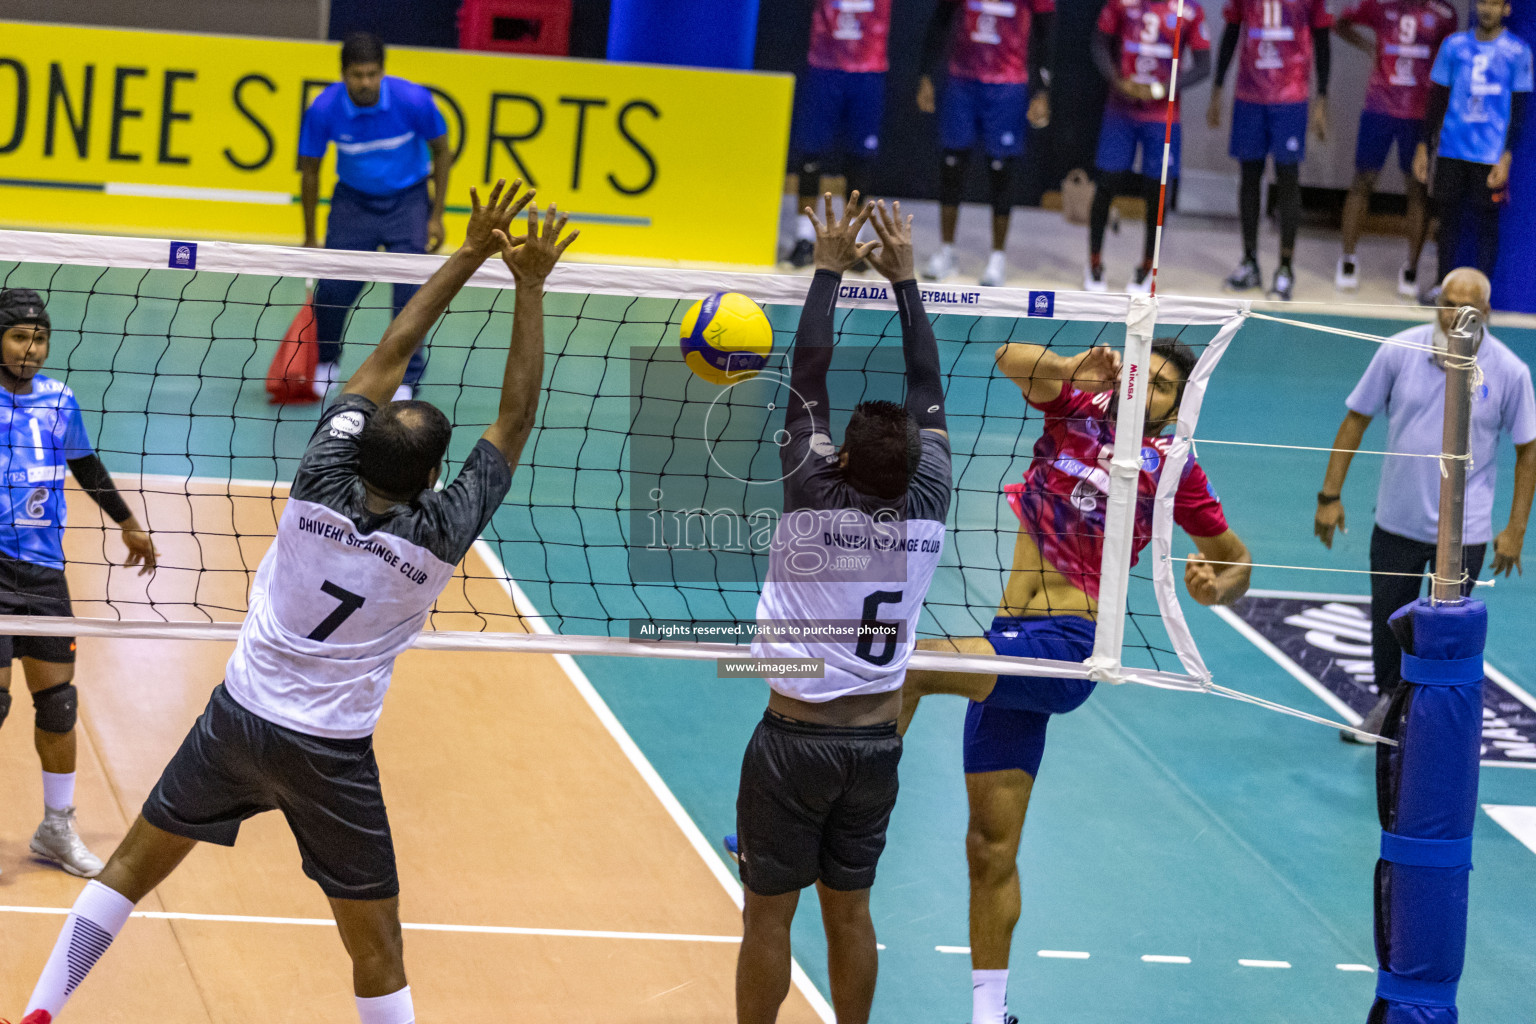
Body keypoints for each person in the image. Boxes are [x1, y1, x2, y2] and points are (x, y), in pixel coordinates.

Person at [14, 180, 576, 1024]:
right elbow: (516, 418)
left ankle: (37, 1013)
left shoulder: (316, 480)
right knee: (376, 948)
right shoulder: (441, 531)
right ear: (431, 480)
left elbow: (385, 356)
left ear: (360, 450)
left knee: (129, 871)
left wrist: (468, 254)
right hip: (330, 756)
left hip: (237, 722)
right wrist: (531, 289)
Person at [899, 336, 1252, 1024]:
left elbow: (1235, 562)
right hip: (1009, 640)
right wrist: (1068, 371)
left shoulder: (1173, 465)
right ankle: (990, 1013)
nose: (1145, 390)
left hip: (1064, 649)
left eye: (1162, 387)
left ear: (1176, 406)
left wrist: (1217, 587)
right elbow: (1004, 356)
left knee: (909, 667)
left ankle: (832, 821)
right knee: (989, 849)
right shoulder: (1075, 409)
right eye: (1141, 376)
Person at [732, 194, 951, 1024]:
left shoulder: (809, 490)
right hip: (875, 746)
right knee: (851, 912)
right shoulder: (929, 497)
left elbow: (808, 373)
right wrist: (907, 280)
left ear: (844, 457)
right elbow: (927, 382)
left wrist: (826, 266)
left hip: (793, 743)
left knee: (768, 914)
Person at [1315, 267, 1535, 742]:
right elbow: (1356, 418)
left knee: (1445, 628)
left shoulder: (1511, 372)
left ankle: (1431, 724)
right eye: (1446, 302)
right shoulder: (1398, 351)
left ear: (1487, 312)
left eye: (1465, 306)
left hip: (1466, 531)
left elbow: (1528, 451)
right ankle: (1387, 707)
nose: (1454, 314)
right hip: (1397, 519)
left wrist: (1515, 529)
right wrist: (1329, 496)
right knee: (1388, 619)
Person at [0, 289, 157, 881]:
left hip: (42, 572)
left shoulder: (59, 399)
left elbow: (84, 465)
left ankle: (56, 826)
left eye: (39, 338)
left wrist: (128, 523)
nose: (30, 349)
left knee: (58, 705)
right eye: (19, 336)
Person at [299, 31, 452, 402]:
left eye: (372, 73)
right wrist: (309, 237)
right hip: (353, 203)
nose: (365, 82)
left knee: (411, 297)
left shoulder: (413, 100)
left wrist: (436, 215)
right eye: (357, 74)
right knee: (333, 290)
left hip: (408, 201)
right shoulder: (323, 109)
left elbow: (442, 152)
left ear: (382, 71)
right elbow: (310, 173)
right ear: (343, 74)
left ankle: (405, 377)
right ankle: (328, 360)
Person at [917, 0, 1054, 287]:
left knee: (1001, 172)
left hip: (1007, 84)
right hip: (962, 82)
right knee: (951, 166)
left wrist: (1042, 91)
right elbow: (940, 20)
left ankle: (998, 257)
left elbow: (1046, 35)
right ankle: (946, 251)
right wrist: (927, 75)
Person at [1208, 0, 1333, 301]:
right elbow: (1232, 31)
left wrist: (1322, 98)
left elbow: (1322, 40)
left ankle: (1285, 268)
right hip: (1249, 94)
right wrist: (1217, 88)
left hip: (1291, 96)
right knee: (1249, 177)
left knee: (1288, 177)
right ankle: (1249, 261)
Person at [1085, 0, 1213, 293]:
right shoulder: (1123, 3)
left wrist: (1165, 88)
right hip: (1121, 110)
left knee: (1157, 191)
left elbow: (1203, 66)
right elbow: (1098, 44)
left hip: (1162, 115)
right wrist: (1118, 81)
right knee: (1107, 182)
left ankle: (1146, 267)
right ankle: (1094, 263)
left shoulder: (1189, 10)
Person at [1332, 0, 1455, 295]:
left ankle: (1410, 267)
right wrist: (1368, 46)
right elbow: (1341, 23)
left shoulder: (1444, 14)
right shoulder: (1378, 4)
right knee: (1363, 180)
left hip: (1419, 111)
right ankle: (1348, 259)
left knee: (1416, 186)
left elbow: (1450, 59)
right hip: (1379, 106)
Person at [1411, 0, 1532, 300]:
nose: (1486, 9)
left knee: (1487, 224)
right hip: (1452, 149)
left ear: (1506, 9)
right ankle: (1443, 286)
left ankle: (1481, 296)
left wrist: (1506, 157)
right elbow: (1437, 100)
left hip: (1489, 155)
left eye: (1494, 3)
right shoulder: (1454, 46)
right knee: (1447, 220)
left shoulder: (1518, 52)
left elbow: (1519, 112)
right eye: (1482, 2)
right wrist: (1425, 146)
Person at [782, 0, 894, 269]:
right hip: (825, 65)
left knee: (860, 159)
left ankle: (853, 241)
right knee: (810, 154)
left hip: (868, 69)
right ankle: (804, 238)